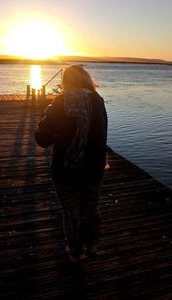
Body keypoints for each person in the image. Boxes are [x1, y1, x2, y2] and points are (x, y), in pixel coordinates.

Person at [35, 65, 108, 263]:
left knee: (71, 211)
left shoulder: (61, 101)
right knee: (91, 208)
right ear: (86, 79)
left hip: (66, 168)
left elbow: (42, 139)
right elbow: (102, 135)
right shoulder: (98, 100)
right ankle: (92, 245)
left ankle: (75, 251)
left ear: (66, 81)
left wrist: (44, 120)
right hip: (94, 167)